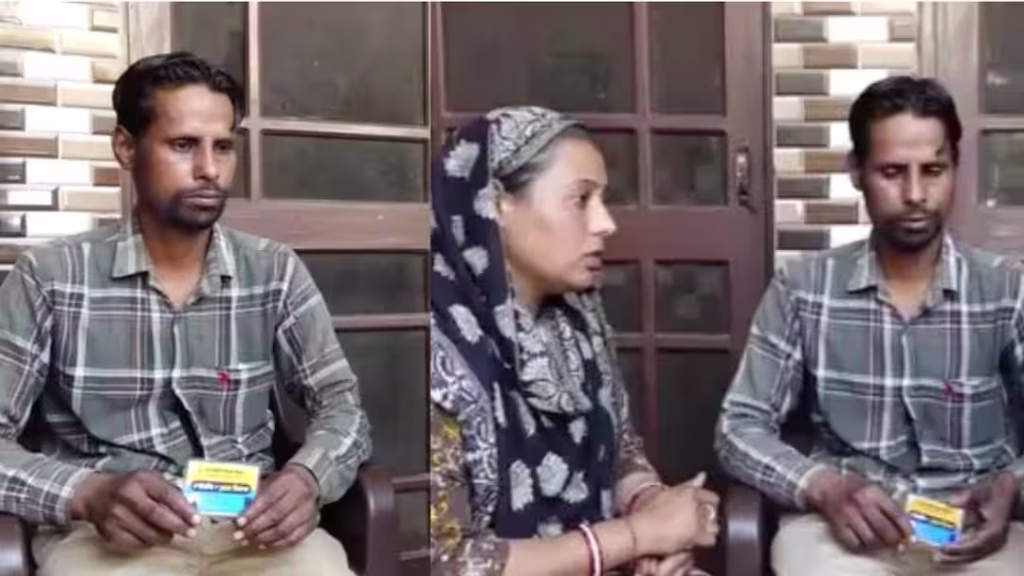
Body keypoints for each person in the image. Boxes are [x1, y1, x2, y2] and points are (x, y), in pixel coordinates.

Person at [0, 52, 371, 575]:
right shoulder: (50, 276)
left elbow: (341, 404)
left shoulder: (274, 271)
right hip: (106, 536)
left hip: (251, 528)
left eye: (223, 147)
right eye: (182, 145)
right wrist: (85, 493)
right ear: (126, 147)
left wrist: (308, 477)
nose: (209, 170)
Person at [716, 75, 1024, 576]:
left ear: (956, 168)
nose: (916, 194)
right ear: (856, 171)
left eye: (934, 170)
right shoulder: (803, 288)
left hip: (979, 535)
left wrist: (1012, 484)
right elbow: (738, 428)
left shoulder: (1008, 289)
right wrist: (823, 487)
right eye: (892, 172)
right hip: (842, 533)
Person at [429, 106, 720, 576]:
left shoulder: (577, 323)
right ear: (496, 204)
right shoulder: (435, 351)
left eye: (602, 200)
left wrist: (652, 506)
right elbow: (445, 563)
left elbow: (621, 452)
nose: (606, 223)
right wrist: (636, 537)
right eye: (581, 199)